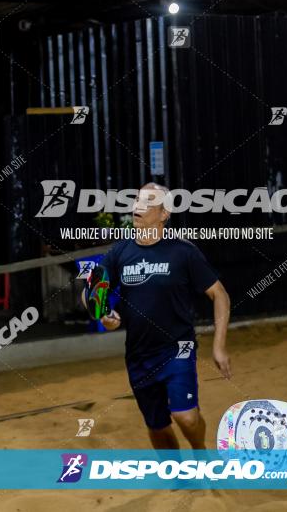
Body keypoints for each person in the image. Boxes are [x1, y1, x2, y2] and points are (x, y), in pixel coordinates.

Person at [83, 183, 231, 449]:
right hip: (139, 355)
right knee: (158, 426)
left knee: (185, 417)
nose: (138, 207)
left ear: (164, 213)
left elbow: (220, 294)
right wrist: (102, 312)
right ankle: (179, 477)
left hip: (178, 348)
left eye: (148, 202)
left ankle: (200, 452)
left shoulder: (183, 252)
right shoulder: (119, 253)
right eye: (137, 200)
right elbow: (90, 290)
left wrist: (219, 347)